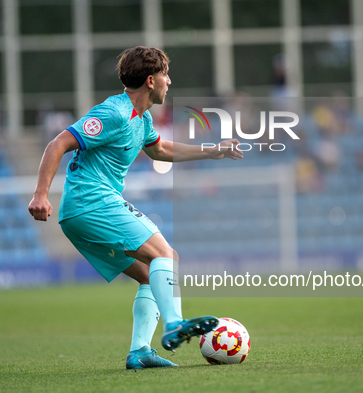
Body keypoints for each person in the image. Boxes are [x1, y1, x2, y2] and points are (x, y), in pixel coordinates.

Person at [28, 46, 243, 369]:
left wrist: (214, 151)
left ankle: (139, 351)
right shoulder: (113, 113)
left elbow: (160, 150)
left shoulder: (140, 119)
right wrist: (40, 194)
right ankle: (174, 324)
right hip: (92, 203)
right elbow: (58, 143)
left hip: (79, 215)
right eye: (165, 75)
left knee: (150, 277)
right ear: (150, 80)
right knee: (166, 256)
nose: (169, 82)